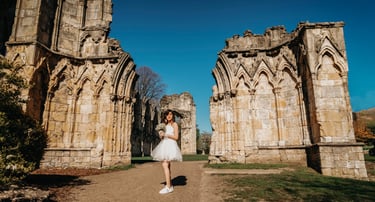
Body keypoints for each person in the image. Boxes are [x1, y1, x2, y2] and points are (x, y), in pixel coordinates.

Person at [151, 109, 183, 194]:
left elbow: (176, 137)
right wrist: (161, 134)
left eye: (171, 114)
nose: (169, 116)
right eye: (167, 114)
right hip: (164, 144)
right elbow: (162, 138)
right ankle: (170, 185)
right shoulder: (164, 125)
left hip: (171, 145)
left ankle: (168, 187)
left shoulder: (174, 124)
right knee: (167, 165)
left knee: (165, 164)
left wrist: (167, 135)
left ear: (173, 116)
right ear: (165, 116)